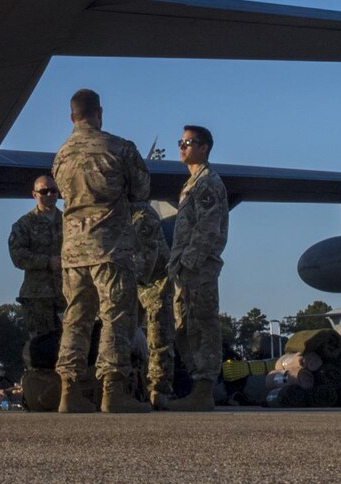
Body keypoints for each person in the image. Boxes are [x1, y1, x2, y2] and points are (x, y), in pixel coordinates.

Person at [50, 88, 151, 413]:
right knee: (116, 317)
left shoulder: (61, 155)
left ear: (71, 117)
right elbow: (141, 192)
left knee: (76, 318)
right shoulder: (119, 148)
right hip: (110, 248)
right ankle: (112, 390)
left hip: (73, 252)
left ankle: (69, 391)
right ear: (100, 113)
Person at [168, 125, 229, 413]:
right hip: (186, 270)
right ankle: (196, 388)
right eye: (180, 142)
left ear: (203, 148)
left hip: (199, 269)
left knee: (203, 325)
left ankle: (204, 389)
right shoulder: (192, 183)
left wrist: (188, 263)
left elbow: (208, 228)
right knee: (186, 327)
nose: (182, 146)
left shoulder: (207, 183)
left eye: (188, 142)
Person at [8, 178, 63, 358]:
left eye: (53, 191)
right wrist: (47, 262)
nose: (49, 195)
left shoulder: (69, 222)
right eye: (44, 191)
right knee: (41, 348)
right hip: (38, 297)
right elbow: (18, 256)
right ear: (34, 195)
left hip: (67, 294)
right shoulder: (24, 224)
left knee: (70, 344)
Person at [131, 202, 174, 406]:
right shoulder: (109, 212)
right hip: (128, 277)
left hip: (154, 282)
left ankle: (159, 388)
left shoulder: (143, 214)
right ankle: (130, 385)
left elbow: (146, 258)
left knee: (158, 335)